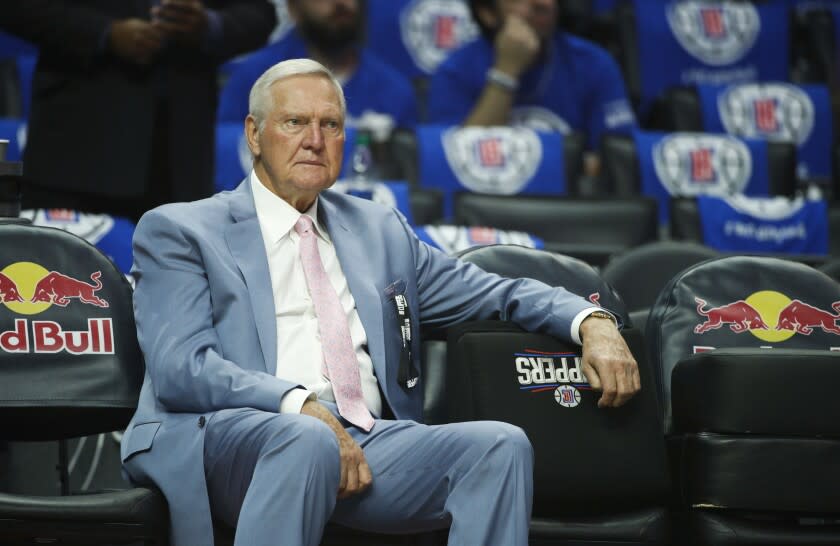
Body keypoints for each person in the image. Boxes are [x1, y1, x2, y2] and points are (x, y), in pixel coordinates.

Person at [120, 58, 640, 546]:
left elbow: (494, 290)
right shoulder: (181, 229)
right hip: (224, 433)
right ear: (254, 135)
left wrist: (590, 319)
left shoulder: (378, 229)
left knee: (499, 447)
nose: (314, 141)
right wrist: (298, 404)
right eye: (295, 122)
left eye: (331, 126)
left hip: (361, 437)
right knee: (304, 439)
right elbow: (181, 368)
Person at [0, 0, 277, 221]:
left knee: (175, 282)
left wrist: (209, 25)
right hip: (76, 152)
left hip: (179, 156)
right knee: (64, 277)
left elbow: (259, 14)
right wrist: (105, 34)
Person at [426, 0, 636, 176]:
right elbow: (456, 168)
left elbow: (620, 161)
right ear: (487, 13)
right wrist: (505, 72)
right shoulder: (455, 71)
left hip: (572, 211)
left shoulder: (593, 64)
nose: (544, 3)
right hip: (487, 207)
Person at [218, 0, 418, 133]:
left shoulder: (394, 88)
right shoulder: (254, 78)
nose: (339, 3)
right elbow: (231, 161)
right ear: (293, 9)